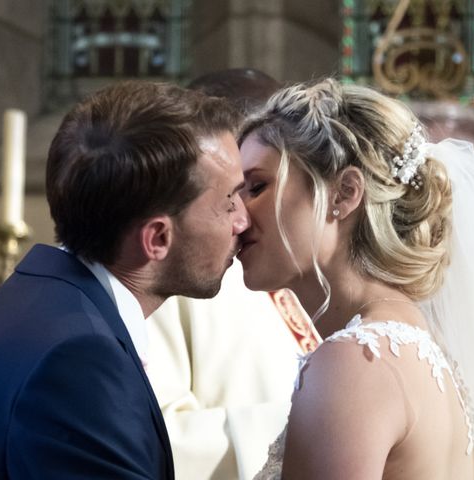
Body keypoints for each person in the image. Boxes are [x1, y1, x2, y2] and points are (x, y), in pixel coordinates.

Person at [236, 78, 474, 479]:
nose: (237, 215)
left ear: (343, 194)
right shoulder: (421, 349)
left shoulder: (356, 362)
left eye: (256, 187)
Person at [0, 80, 250, 479]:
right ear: (158, 238)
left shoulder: (10, 312)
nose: (243, 221)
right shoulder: (79, 363)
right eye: (230, 201)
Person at [146, 68, 302, 480]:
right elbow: (154, 438)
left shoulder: (290, 267)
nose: (244, 211)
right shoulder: (165, 267)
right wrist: (317, 426)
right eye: (245, 184)